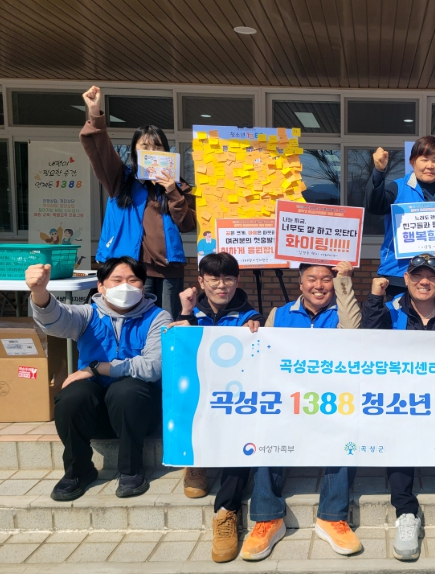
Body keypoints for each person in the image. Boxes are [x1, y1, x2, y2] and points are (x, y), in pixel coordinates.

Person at [241, 261, 363, 561]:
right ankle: (268, 518)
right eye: (312, 279)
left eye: (326, 279)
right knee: (264, 431)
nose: (319, 285)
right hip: (288, 400)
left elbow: (353, 333)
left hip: (331, 400)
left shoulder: (342, 310)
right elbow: (264, 356)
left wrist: (344, 281)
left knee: (347, 431)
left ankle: (332, 517)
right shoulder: (280, 314)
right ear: (300, 283)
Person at [361, 254, 435, 562]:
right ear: (406, 278)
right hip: (400, 400)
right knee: (398, 432)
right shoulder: (390, 309)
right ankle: (406, 513)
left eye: (432, 276)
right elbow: (368, 337)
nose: (424, 282)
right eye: (416, 275)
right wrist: (374, 297)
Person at [25, 257, 170, 501]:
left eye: (133, 280)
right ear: (100, 286)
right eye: (117, 280)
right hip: (95, 416)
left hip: (138, 414)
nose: (125, 286)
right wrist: (40, 292)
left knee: (127, 391)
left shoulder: (158, 318)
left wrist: (97, 368)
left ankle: (131, 470)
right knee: (71, 397)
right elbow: (55, 320)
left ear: (143, 286)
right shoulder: (87, 315)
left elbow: (153, 367)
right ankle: (78, 471)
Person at [165, 252, 262, 563]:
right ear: (201, 281)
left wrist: (258, 331)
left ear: (237, 280)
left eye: (229, 279)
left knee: (245, 438)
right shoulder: (189, 313)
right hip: (199, 398)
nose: (222, 285)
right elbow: (179, 356)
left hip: (235, 402)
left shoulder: (252, 318)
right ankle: (195, 462)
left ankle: (226, 511)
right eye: (214, 279)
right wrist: (185, 312)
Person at [80, 85, 196, 319]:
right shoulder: (120, 179)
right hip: (128, 270)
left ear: (166, 151)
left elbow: (187, 224)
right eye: (145, 147)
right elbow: (101, 152)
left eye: (157, 146)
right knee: (129, 323)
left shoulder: (179, 185)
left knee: (166, 324)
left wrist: (171, 190)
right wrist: (95, 114)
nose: (152, 151)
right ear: (134, 151)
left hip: (168, 271)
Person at [365, 136, 435, 299]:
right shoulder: (398, 187)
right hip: (398, 275)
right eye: (424, 159)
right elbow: (375, 206)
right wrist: (379, 171)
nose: (430, 166)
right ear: (412, 161)